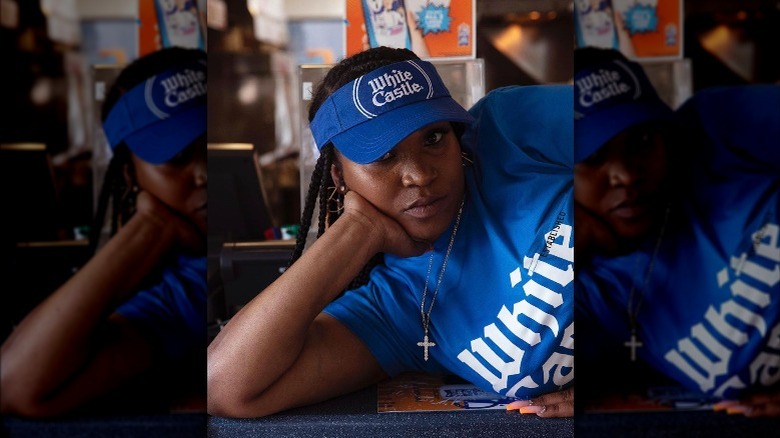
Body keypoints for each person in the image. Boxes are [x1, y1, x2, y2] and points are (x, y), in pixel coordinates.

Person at [207, 47, 574, 418]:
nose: (420, 175)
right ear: (338, 176)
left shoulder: (506, 129)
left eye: (433, 138)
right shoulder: (394, 310)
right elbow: (224, 386)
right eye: (382, 156)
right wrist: (357, 230)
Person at [0, 47, 208, 417]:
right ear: (130, 175)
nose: (203, 174)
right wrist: (149, 228)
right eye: (175, 158)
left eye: (209, 149)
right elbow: (16, 383)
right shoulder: (182, 288)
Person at [573, 47, 780, 417]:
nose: (626, 174)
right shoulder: (598, 292)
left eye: (641, 142)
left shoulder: (715, 131)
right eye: (592, 157)